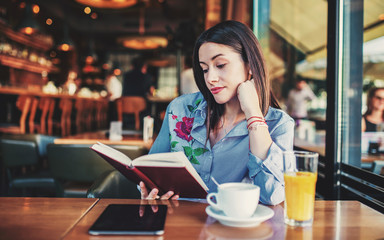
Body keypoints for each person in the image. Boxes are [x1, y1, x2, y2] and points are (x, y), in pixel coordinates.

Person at [139, 20, 294, 205]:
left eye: (220, 65)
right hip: (176, 224)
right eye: (204, 69)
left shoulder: (279, 124)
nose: (210, 78)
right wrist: (149, 189)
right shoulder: (179, 110)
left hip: (233, 231)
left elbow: (273, 195)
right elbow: (148, 172)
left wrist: (253, 111)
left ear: (250, 65)